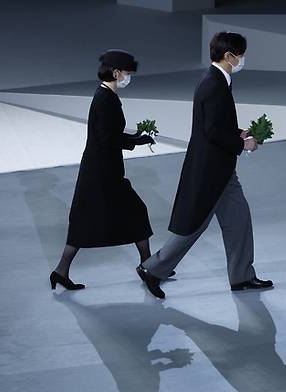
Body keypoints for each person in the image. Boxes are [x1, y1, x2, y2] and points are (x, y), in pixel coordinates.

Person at [136, 32, 273, 299]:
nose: (243, 59)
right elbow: (211, 130)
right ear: (229, 56)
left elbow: (216, 123)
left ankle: (242, 276)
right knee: (194, 226)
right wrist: (242, 144)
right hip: (211, 171)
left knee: (239, 220)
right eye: (241, 55)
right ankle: (152, 269)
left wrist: (238, 132)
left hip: (221, 169)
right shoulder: (213, 85)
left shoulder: (217, 80)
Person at [50, 49, 156, 290]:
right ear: (116, 73)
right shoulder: (105, 99)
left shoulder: (105, 95)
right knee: (135, 212)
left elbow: (108, 134)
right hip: (103, 173)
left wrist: (134, 137)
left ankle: (60, 271)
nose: (128, 77)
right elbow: (108, 138)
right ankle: (148, 267)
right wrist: (135, 141)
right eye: (127, 73)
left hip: (99, 170)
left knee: (85, 220)